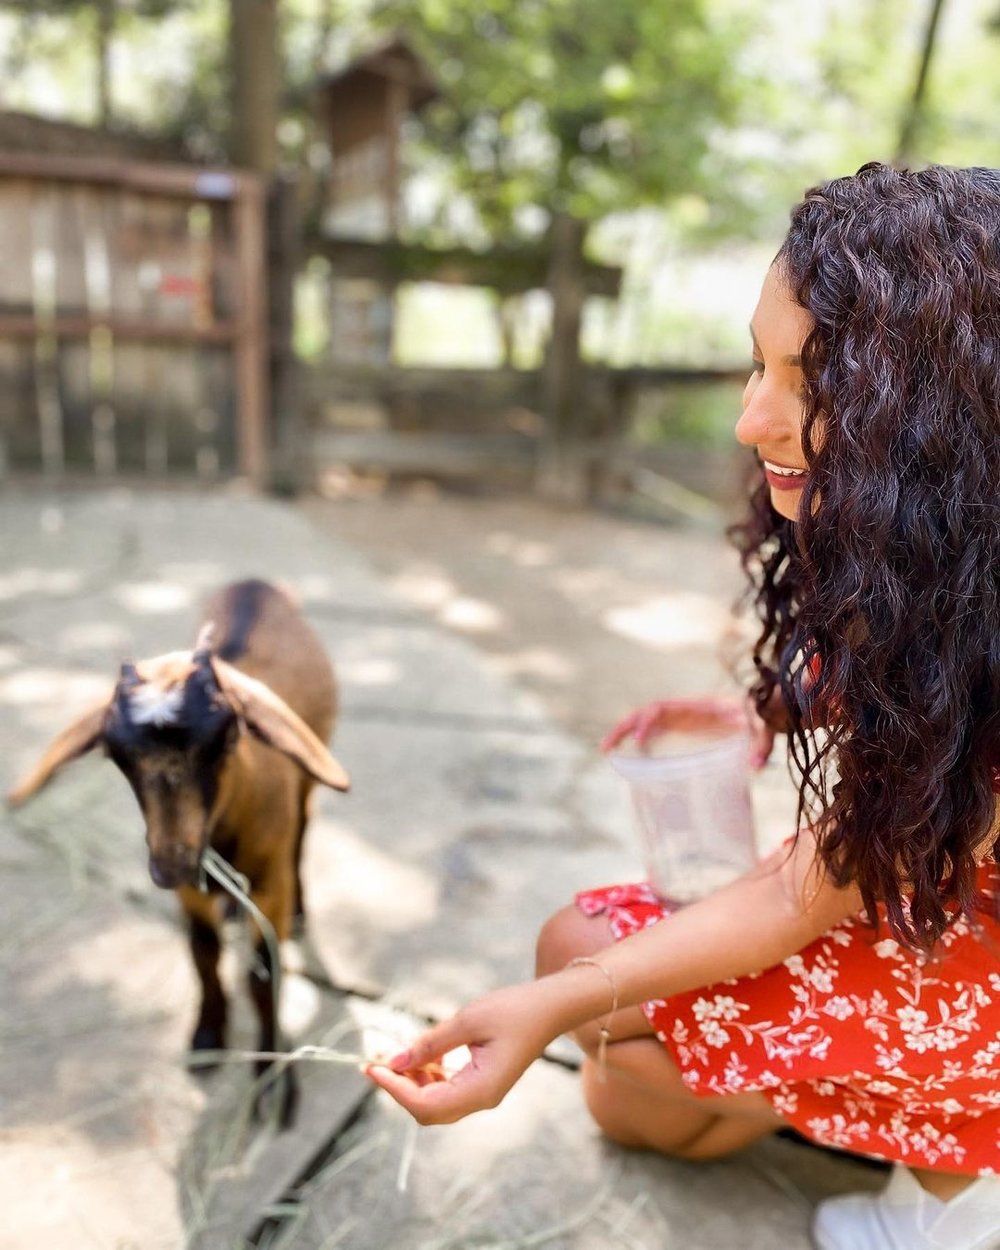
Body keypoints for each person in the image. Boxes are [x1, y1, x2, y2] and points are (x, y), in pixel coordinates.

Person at [366, 163, 1000, 1250]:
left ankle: (951, 1181)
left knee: (583, 974)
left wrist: (553, 1008)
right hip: (939, 895)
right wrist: (787, 706)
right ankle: (895, 1128)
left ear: (939, 417)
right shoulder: (958, 547)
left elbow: (809, 893)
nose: (754, 417)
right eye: (758, 365)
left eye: (810, 382)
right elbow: (929, 678)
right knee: (629, 1082)